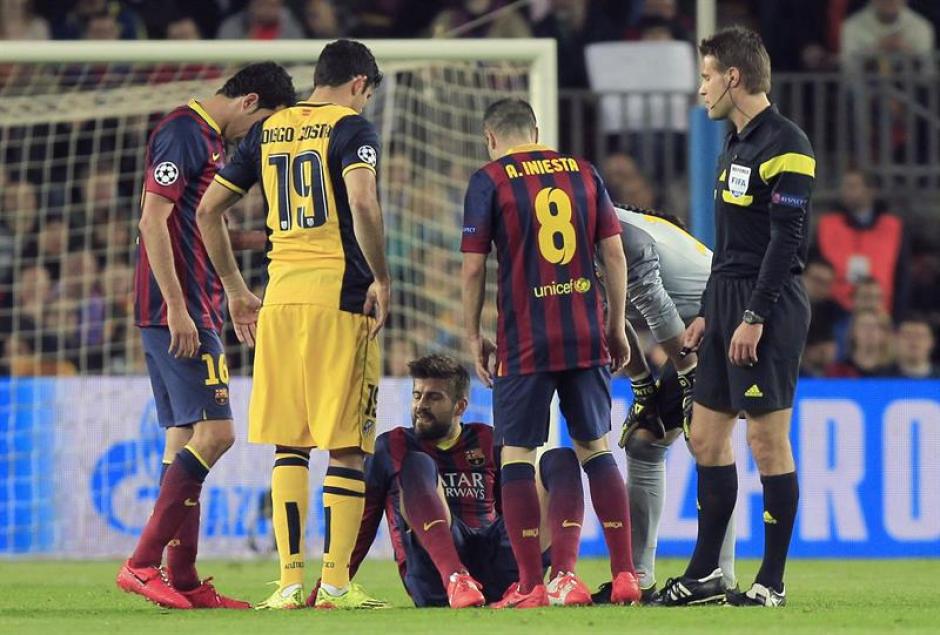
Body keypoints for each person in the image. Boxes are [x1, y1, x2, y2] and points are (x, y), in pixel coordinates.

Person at [196, 39, 391, 610]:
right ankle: (332, 584)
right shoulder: (352, 130)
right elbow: (364, 204)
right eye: (367, 96)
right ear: (358, 84)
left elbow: (208, 211)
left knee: (290, 445)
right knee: (348, 446)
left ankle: (286, 583)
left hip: (278, 300)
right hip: (340, 298)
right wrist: (382, 276)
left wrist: (236, 290)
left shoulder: (268, 129)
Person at [115, 63, 296, 610]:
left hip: (197, 305)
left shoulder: (208, 141)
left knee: (184, 439)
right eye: (262, 122)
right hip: (182, 309)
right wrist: (176, 307)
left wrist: (246, 243)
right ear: (249, 102)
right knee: (218, 434)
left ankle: (185, 577)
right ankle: (142, 564)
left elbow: (191, 222)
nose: (257, 134)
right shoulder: (183, 132)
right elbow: (152, 220)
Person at [461, 97, 640, 608]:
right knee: (595, 447)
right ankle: (625, 575)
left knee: (518, 453)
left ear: (490, 138)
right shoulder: (584, 172)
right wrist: (615, 323)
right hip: (585, 329)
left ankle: (529, 586)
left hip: (525, 336)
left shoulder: (490, 179)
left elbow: (473, 268)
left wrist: (473, 334)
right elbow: (614, 252)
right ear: (537, 130)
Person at [663, 27, 815, 608]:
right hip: (726, 299)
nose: (700, 89)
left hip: (767, 304)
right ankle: (706, 575)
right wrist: (710, 311)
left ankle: (771, 581)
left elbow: (786, 242)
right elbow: (731, 243)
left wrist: (753, 314)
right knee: (704, 437)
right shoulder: (734, 143)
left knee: (767, 441)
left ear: (733, 77)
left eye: (706, 77)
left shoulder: (788, 144)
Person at [349, 354, 586, 608]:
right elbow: (364, 521)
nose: (420, 406)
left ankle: (562, 578)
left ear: (460, 407)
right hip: (435, 573)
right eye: (417, 395)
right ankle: (456, 578)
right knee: (417, 464)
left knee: (560, 459)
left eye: (433, 397)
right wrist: (335, 583)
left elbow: (516, 509)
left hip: (496, 562)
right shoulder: (391, 446)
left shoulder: (487, 439)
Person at [590, 204, 737, 604]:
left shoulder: (617, 231)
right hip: (694, 333)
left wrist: (688, 379)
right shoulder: (585, 229)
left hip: (727, 322)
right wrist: (642, 388)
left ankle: (720, 577)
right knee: (644, 438)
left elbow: (655, 304)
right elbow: (611, 318)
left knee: (708, 441)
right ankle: (638, 578)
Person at [815, 169, 909, 318]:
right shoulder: (827, 225)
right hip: (834, 311)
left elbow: (902, 274)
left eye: (852, 186)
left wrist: (898, 315)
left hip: (881, 310)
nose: (845, 192)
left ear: (871, 191)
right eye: (844, 186)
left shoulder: (892, 226)